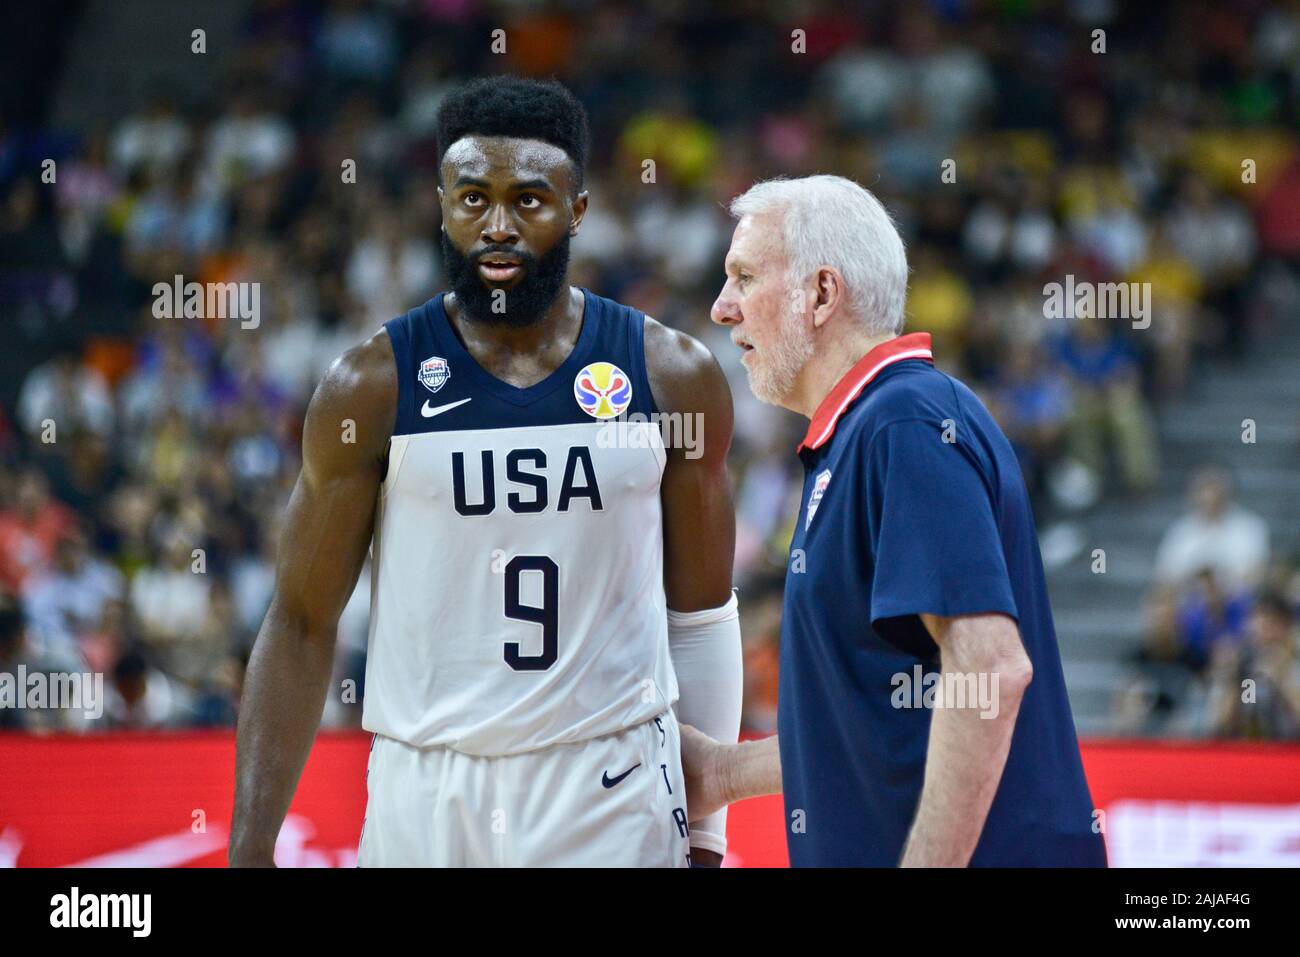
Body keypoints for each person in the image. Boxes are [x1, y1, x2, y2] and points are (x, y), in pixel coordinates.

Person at [229, 76, 742, 868]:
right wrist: (249, 848)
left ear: (576, 209)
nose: (497, 225)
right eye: (472, 198)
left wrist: (707, 835)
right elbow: (299, 619)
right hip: (425, 784)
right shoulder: (370, 385)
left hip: (607, 778)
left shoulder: (670, 375)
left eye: (529, 201)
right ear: (441, 204)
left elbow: (701, 616)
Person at [683, 174, 1106, 866]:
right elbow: (883, 721)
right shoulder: (869, 430)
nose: (722, 307)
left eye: (744, 276)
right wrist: (724, 774)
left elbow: (989, 670)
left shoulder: (903, 423)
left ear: (821, 294)